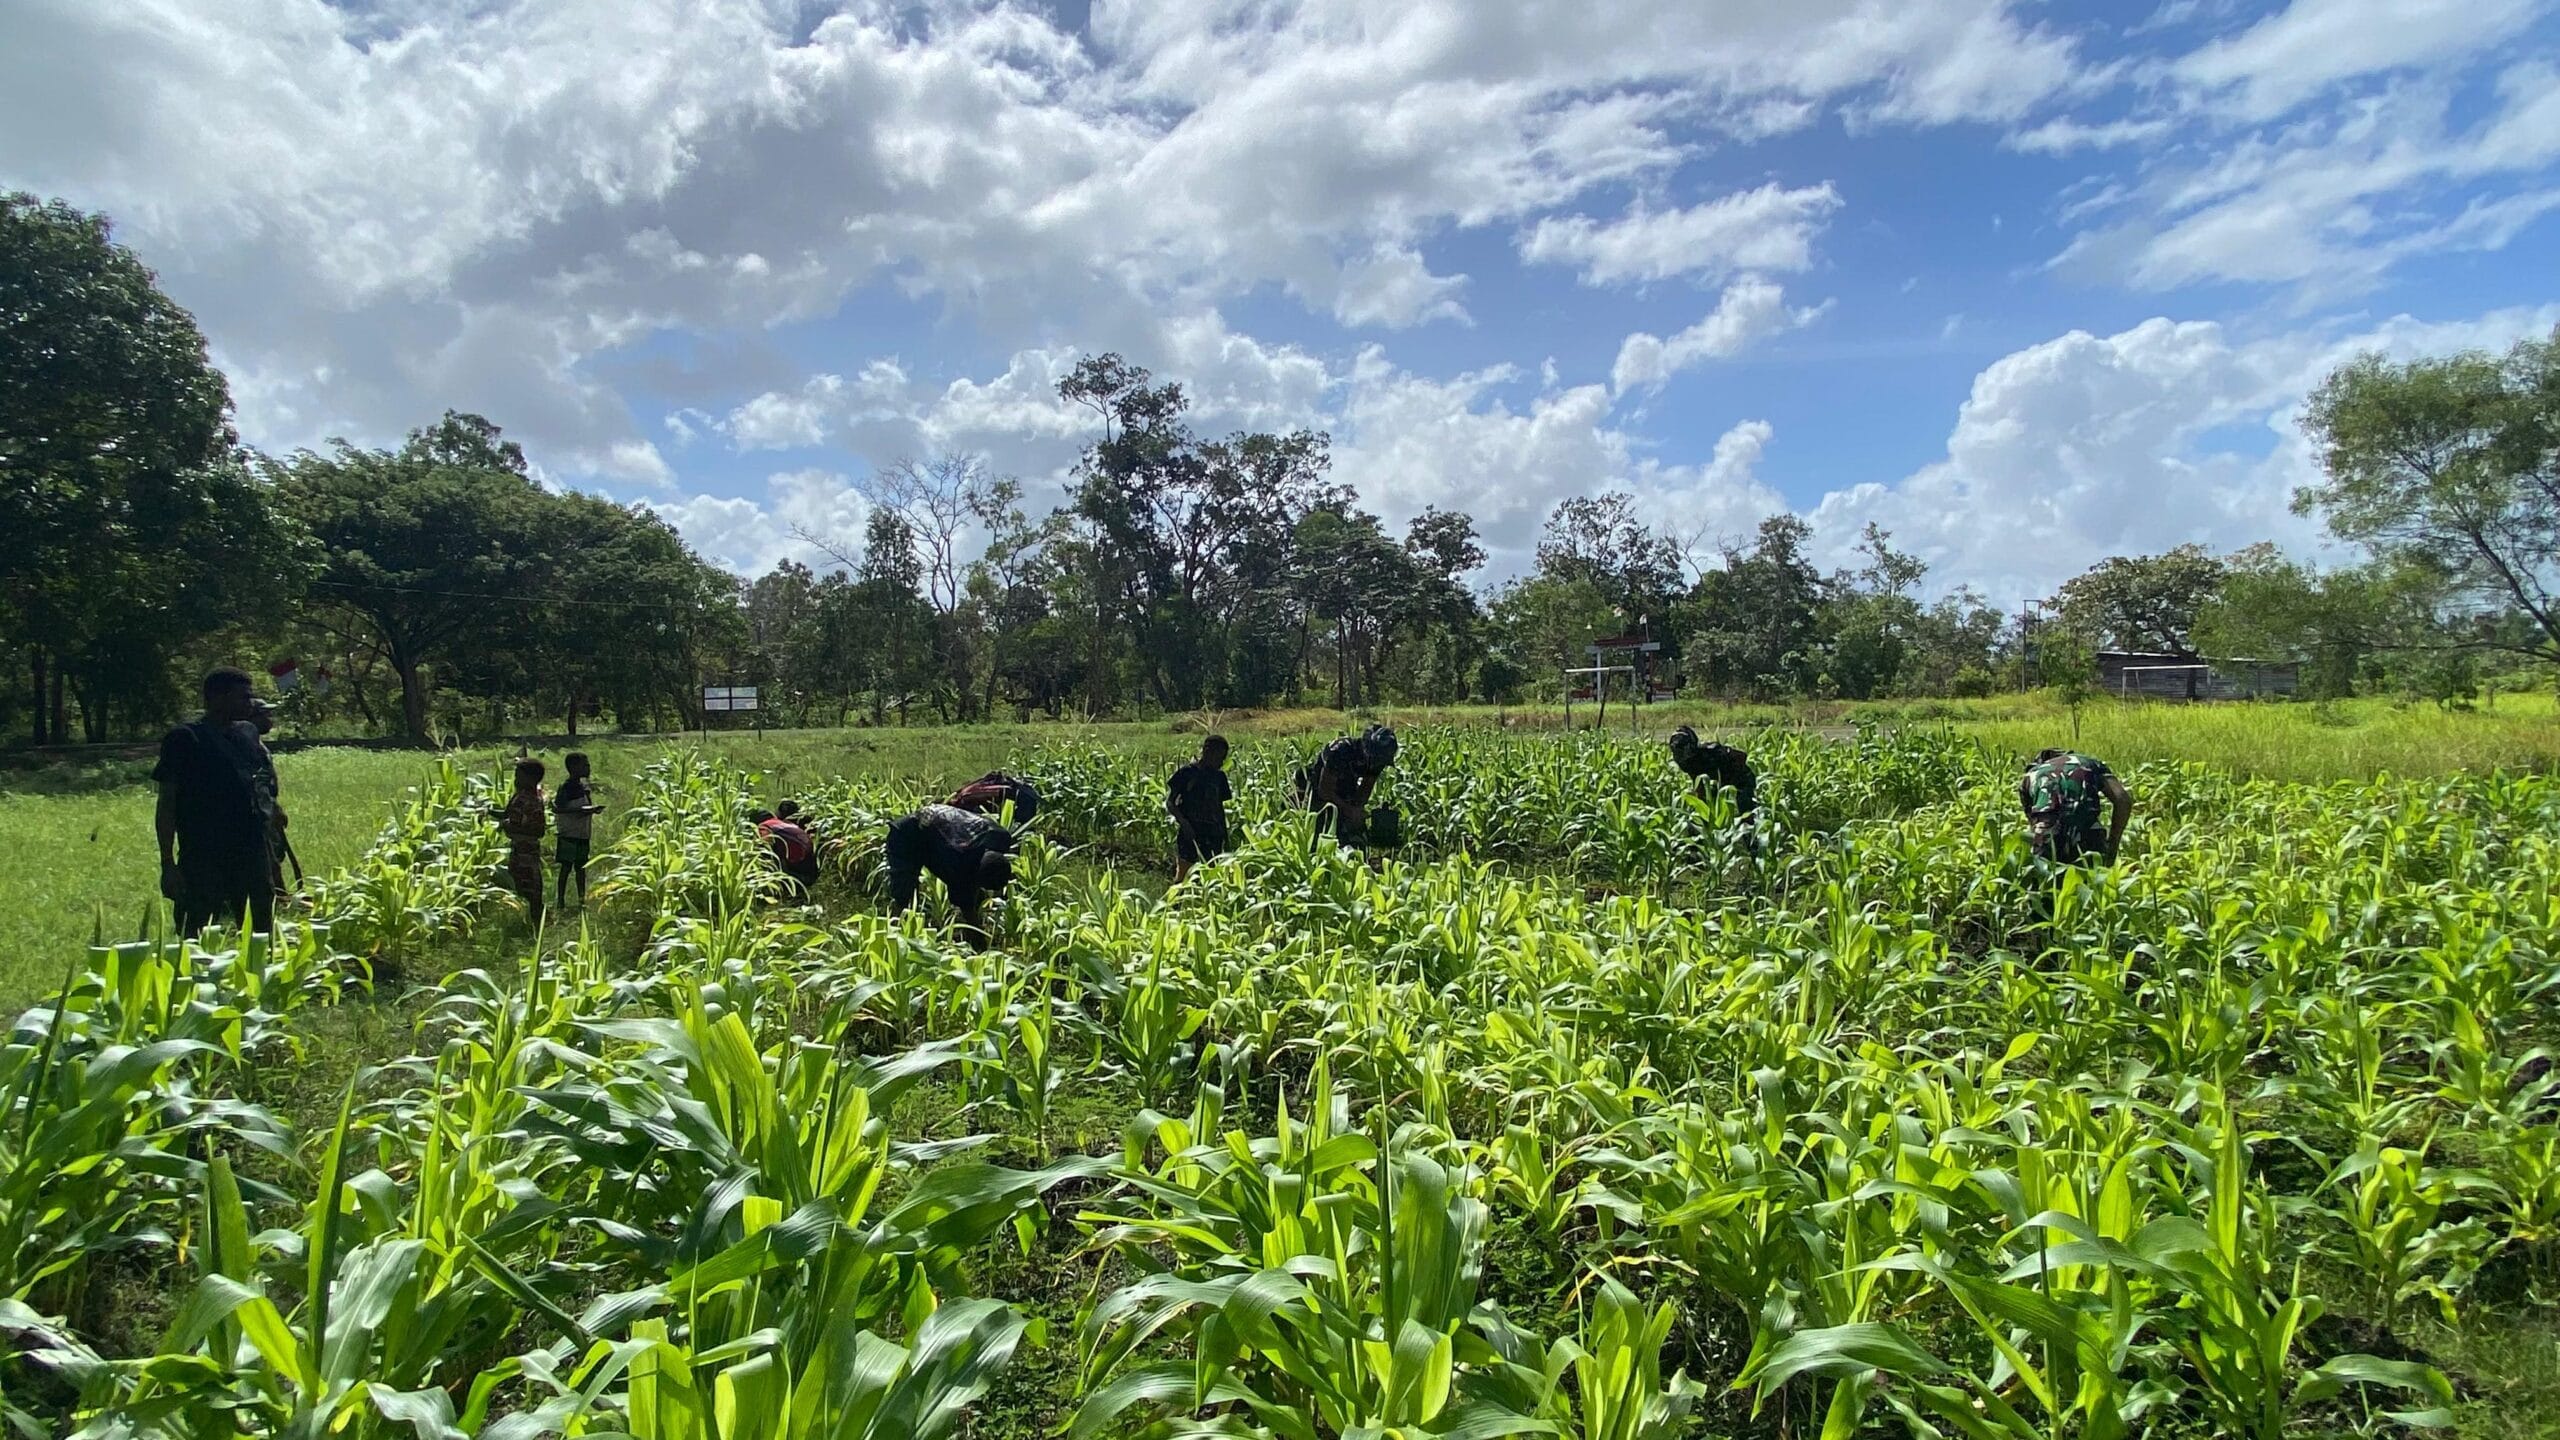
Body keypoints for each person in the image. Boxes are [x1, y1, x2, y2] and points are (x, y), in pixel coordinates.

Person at [155, 668, 276, 938]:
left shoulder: (247, 733)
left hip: (250, 849)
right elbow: (167, 803)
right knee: (196, 931)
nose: (249, 703)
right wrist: (167, 863)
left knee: (260, 931)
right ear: (217, 697)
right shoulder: (185, 739)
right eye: (242, 697)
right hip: (204, 852)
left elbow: (258, 782)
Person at [884, 802, 1020, 949]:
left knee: (972, 895)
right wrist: (981, 944)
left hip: (935, 822)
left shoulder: (1001, 837)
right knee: (905, 895)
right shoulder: (957, 863)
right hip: (906, 835)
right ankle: (891, 937)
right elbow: (967, 908)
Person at [2019, 748, 2133, 865]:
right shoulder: (2090, 763)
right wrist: (2113, 844)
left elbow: (2033, 823)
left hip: (2048, 834)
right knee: (2093, 875)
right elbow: (2122, 800)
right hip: (2088, 833)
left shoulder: (2031, 775)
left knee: (2046, 875)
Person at [1294, 724, 1398, 844]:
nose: (1378, 764)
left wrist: (1357, 810)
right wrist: (1348, 810)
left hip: (1347, 786)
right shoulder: (1340, 751)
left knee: (1354, 831)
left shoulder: (1378, 761)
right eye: (1377, 759)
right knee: (1321, 829)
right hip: (1319, 787)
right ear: (1366, 749)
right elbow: (1325, 791)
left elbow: (1366, 787)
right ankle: (1298, 797)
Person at [1166, 734, 1233, 879]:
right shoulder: (1187, 773)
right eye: (1219, 758)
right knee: (1183, 876)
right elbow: (1170, 803)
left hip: (1213, 834)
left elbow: (1219, 808)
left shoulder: (1219, 777)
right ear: (1207, 752)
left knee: (1211, 876)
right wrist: (1184, 823)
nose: (1221, 763)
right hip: (1191, 833)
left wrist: (1225, 837)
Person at [497, 758, 548, 922]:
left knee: (529, 886)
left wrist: (508, 826)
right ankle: (528, 920)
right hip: (520, 848)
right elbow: (509, 814)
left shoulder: (529, 800)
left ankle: (536, 921)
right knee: (521, 884)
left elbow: (538, 830)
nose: (515, 779)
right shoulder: (523, 796)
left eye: (519, 775)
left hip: (526, 850)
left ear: (530, 778)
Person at [1668, 725, 1756, 816]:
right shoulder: (1685, 762)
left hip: (1741, 779)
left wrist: (1728, 776)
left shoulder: (1711, 753)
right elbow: (1696, 780)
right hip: (1716, 783)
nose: (1680, 753)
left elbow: (1742, 756)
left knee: (1745, 810)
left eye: (1681, 749)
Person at [552, 751, 602, 908]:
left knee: (581, 867)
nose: (588, 768)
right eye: (585, 765)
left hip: (582, 833)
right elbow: (558, 809)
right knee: (566, 867)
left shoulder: (582, 787)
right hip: (569, 833)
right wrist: (582, 811)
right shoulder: (567, 787)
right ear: (573, 767)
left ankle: (581, 899)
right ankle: (560, 901)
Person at [750, 804, 821, 898]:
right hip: (811, 867)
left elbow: (764, 848)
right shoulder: (785, 823)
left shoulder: (764, 827)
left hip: (797, 869)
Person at [946, 770, 1041, 823]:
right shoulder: (964, 795)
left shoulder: (966, 796)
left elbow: (1001, 791)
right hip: (1016, 794)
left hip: (1020, 796)